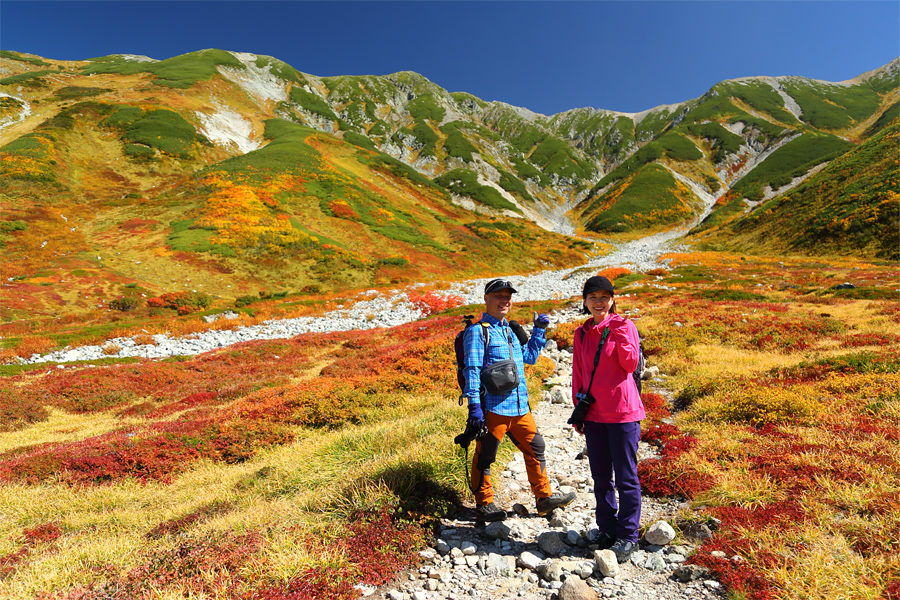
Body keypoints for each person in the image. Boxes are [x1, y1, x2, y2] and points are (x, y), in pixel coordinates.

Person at [461, 278, 576, 522]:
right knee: (486, 455)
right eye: (498, 296)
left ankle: (544, 499)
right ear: (486, 299)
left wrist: (539, 330)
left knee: (536, 449)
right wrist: (474, 407)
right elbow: (471, 369)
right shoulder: (478, 331)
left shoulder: (510, 330)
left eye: (508, 296)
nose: (504, 300)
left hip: (520, 407)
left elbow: (530, 358)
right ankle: (484, 504)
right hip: (493, 408)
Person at [570, 275, 645, 563]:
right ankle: (607, 529)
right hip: (595, 414)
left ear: (612, 300)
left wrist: (620, 334)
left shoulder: (624, 326)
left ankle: (628, 535)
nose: (598, 301)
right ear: (585, 302)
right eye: (593, 297)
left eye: (604, 296)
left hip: (623, 413)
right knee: (600, 477)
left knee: (626, 477)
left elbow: (629, 364)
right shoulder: (581, 332)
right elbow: (578, 372)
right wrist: (579, 409)